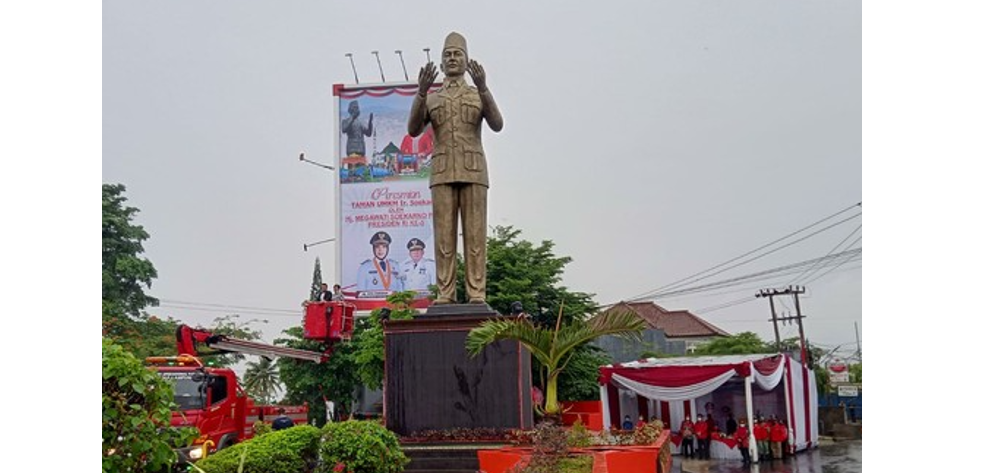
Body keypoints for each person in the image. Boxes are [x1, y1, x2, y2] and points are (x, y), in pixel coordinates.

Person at [408, 31, 504, 304]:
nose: (452, 59)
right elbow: (413, 129)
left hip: (473, 170)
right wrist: (420, 92)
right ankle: (445, 294)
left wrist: (483, 87)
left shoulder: (477, 94)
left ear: (467, 60)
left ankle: (476, 293)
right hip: (442, 172)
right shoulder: (432, 98)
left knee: (475, 238)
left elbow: (497, 124)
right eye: (447, 55)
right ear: (440, 63)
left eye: (457, 54)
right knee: (443, 240)